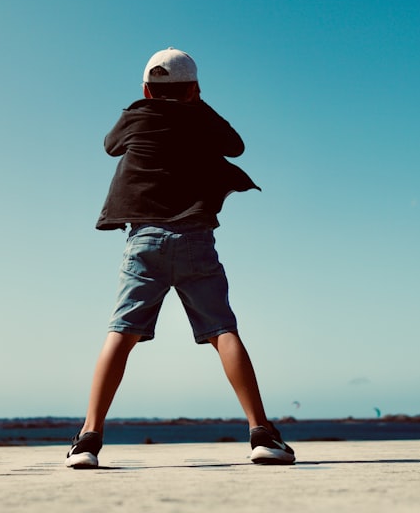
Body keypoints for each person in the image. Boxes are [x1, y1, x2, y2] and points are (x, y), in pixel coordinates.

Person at [66, 47, 295, 469]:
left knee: (121, 332)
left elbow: (109, 145)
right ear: (194, 90)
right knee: (223, 331)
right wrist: (196, 105)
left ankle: (88, 439)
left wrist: (147, 105)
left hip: (144, 241)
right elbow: (236, 146)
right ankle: (261, 433)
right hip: (194, 239)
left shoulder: (136, 116)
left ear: (146, 91)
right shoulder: (200, 117)